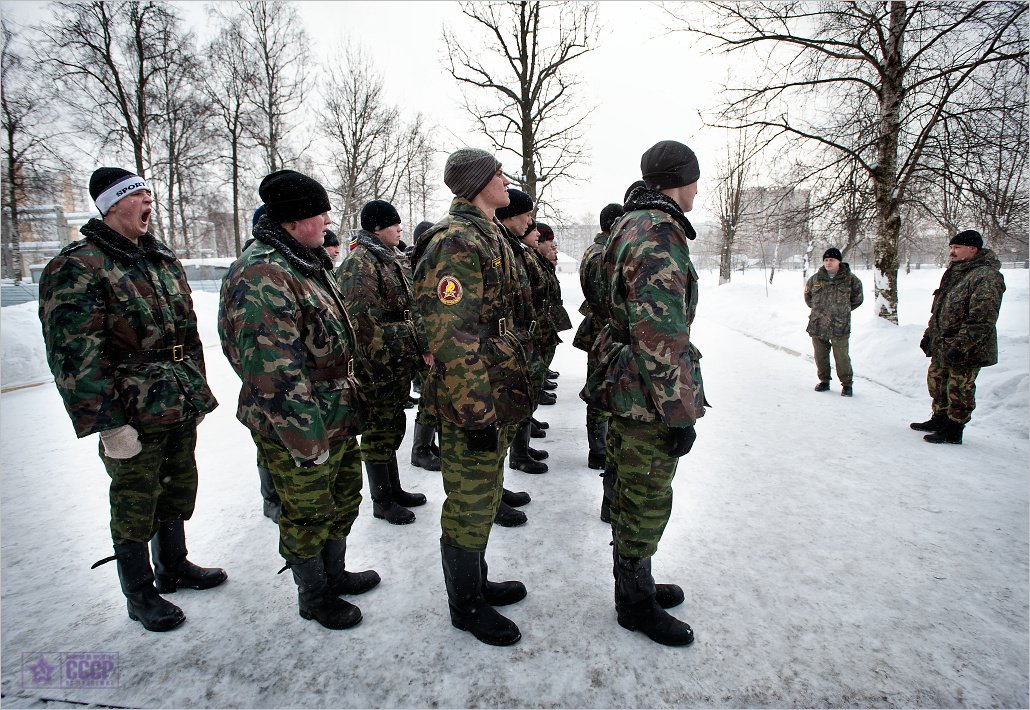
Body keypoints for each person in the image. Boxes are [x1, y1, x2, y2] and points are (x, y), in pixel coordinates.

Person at [38, 167, 226, 633]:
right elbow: (74, 355)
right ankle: (139, 591)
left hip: (175, 399)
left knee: (178, 486)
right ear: (111, 204)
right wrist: (108, 425)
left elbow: (188, 334)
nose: (148, 203)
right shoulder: (79, 265)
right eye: (138, 195)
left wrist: (195, 389)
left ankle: (173, 566)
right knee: (135, 498)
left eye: (148, 193)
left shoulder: (160, 259)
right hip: (131, 408)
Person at [218, 169, 379, 631]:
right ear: (293, 220)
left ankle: (334, 573)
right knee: (307, 509)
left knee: (343, 496)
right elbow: (273, 371)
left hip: (334, 411)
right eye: (319, 212)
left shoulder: (304, 261)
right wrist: (305, 438)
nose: (328, 219)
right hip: (299, 420)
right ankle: (314, 594)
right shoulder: (264, 272)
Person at [581, 140, 706, 646]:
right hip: (646, 392)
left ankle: (639, 584)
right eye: (695, 178)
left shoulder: (628, 224)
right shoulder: (657, 231)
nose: (698, 188)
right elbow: (659, 332)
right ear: (679, 178)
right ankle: (634, 603)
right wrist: (679, 413)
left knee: (631, 488)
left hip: (626, 380)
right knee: (645, 494)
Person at [412, 148, 533, 646]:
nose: (507, 179)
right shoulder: (456, 241)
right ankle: (465, 605)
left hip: (494, 390)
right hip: (473, 400)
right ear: (477, 182)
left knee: (483, 496)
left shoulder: (488, 233)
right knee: (468, 501)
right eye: (498, 173)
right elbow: (450, 335)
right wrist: (476, 413)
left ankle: (477, 582)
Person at [336, 199, 431, 525]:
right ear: (377, 228)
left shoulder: (389, 259)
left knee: (390, 428)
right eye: (394, 224)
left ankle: (394, 489)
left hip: (396, 362)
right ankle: (382, 500)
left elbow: (408, 307)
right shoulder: (361, 264)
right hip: (378, 367)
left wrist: (417, 347)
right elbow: (361, 324)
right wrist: (381, 364)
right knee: (377, 432)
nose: (400, 228)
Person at [911, 229, 1006, 444]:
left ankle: (954, 429)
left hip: (967, 346)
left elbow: (982, 318)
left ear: (973, 249)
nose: (952, 252)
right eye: (951, 248)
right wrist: (929, 335)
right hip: (943, 343)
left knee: (959, 388)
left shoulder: (986, 276)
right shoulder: (954, 272)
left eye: (957, 248)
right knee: (937, 381)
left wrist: (961, 345)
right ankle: (940, 418)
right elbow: (940, 309)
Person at [495, 190, 551, 476]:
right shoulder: (499, 247)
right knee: (502, 420)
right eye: (526, 215)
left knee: (517, 407)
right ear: (511, 216)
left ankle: (517, 454)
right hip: (505, 344)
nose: (530, 222)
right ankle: (513, 460)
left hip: (518, 341)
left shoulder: (512, 247)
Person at [574, 203, 624, 509]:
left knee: (602, 391)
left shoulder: (600, 250)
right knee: (600, 393)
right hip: (603, 332)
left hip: (603, 331)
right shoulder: (601, 253)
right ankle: (598, 449)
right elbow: (604, 295)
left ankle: (600, 448)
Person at [804, 247, 864, 396]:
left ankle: (847, 385)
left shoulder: (851, 279)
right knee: (820, 356)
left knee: (841, 356)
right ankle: (824, 381)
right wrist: (820, 311)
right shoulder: (815, 279)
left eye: (831, 260)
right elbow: (808, 298)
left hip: (840, 325)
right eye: (826, 260)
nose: (828, 262)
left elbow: (857, 299)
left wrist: (842, 311)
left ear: (839, 261)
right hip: (818, 324)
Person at [408, 219, 443, 471]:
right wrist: (426, 346)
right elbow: (417, 309)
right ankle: (420, 449)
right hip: (425, 341)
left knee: (436, 396)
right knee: (430, 399)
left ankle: (428, 445)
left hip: (434, 338)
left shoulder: (430, 261)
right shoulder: (417, 265)